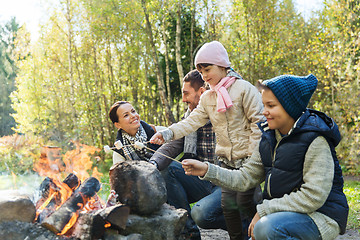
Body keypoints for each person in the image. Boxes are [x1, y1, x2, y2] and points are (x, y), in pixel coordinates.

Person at [182, 74, 349, 240]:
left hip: (320, 216)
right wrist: (206, 169)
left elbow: (312, 196)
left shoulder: (316, 140)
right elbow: (245, 177)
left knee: (266, 228)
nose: (264, 112)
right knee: (264, 228)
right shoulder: (269, 138)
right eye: (263, 105)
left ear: (289, 106)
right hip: (283, 214)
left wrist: (264, 210)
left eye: (270, 105)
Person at [150, 41, 264, 240]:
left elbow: (259, 123)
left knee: (248, 208)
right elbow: (191, 121)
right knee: (230, 214)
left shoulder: (244, 89)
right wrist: (167, 133)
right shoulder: (208, 98)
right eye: (201, 72)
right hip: (226, 166)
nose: (204, 76)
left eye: (207, 69)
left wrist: (252, 155)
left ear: (222, 65)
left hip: (248, 165)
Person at [149, 69, 227, 240]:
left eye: (186, 93)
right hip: (202, 181)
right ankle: (189, 233)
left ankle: (245, 220)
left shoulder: (226, 113)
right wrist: (152, 164)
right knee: (166, 168)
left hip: (227, 181)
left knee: (202, 213)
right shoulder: (189, 117)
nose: (183, 99)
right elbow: (173, 144)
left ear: (202, 92)